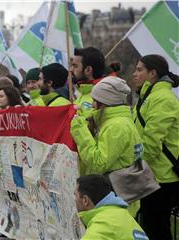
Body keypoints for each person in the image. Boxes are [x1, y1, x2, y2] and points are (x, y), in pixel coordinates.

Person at [70, 76, 143, 216]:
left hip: (115, 200)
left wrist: (79, 130)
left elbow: (99, 162)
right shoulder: (116, 121)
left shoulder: (116, 127)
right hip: (117, 195)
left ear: (104, 103)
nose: (91, 105)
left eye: (95, 101)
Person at [132, 54, 179, 240]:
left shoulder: (162, 98)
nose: (135, 74)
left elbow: (151, 144)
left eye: (139, 69)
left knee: (157, 229)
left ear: (152, 73)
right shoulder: (149, 96)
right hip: (152, 173)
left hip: (162, 177)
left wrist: (135, 168)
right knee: (151, 226)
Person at [75, 174, 148, 240]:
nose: (74, 200)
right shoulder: (122, 215)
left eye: (75, 196)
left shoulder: (103, 223)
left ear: (85, 200)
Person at [71, 47, 106, 116]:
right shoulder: (82, 94)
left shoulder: (101, 99)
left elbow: (94, 126)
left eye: (75, 66)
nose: (71, 70)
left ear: (88, 70)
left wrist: (74, 119)